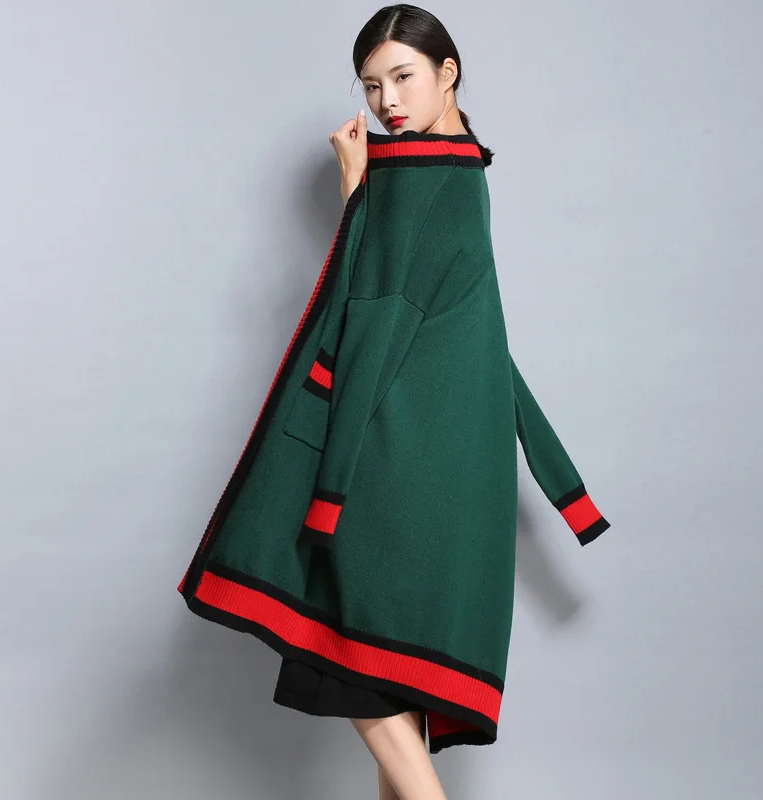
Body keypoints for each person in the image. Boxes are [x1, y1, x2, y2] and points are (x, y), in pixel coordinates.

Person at [177, 5, 610, 799]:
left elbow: (372, 321)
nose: (387, 102)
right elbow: (460, 321)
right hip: (454, 449)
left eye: (403, 77)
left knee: (344, 648)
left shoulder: (414, 176)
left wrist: (356, 188)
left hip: (392, 444)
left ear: (448, 72)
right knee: (389, 664)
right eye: (372, 86)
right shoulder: (465, 171)